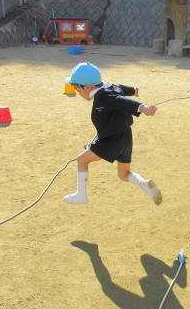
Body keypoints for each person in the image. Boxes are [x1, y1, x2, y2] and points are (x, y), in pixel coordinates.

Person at [63, 62, 162, 205]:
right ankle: (145, 184)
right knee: (124, 174)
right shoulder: (109, 87)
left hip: (111, 141)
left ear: (88, 87)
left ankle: (81, 195)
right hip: (126, 139)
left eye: (77, 89)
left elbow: (120, 101)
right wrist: (133, 90)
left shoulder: (103, 96)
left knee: (82, 160)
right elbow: (120, 88)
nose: (78, 93)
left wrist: (142, 107)